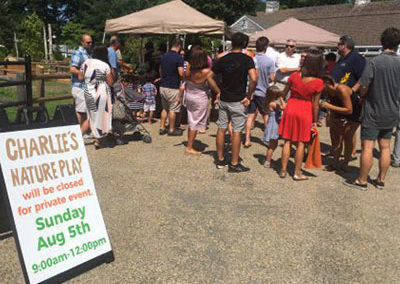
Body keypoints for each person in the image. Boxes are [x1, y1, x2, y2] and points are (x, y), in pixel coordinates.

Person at [344, 27, 400, 190]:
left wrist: (361, 96)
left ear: (382, 42)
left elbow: (364, 86)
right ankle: (381, 179)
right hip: (391, 111)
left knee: (368, 146)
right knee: (385, 147)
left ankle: (362, 180)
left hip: (373, 110)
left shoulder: (374, 62)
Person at [211, 32, 257, 173]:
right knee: (237, 131)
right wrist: (248, 96)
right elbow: (254, 79)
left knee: (221, 128)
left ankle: (220, 159)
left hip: (225, 98)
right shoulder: (247, 59)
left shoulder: (223, 59)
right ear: (244, 44)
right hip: (238, 99)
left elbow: (209, 77)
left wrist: (218, 91)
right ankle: (234, 163)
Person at [279, 51, 324, 180]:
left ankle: (283, 170)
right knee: (301, 143)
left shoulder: (294, 76)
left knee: (287, 140)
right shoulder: (319, 82)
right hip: (305, 109)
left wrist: (283, 103)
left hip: (291, 106)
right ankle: (297, 173)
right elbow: (316, 105)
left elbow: (283, 93)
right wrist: (315, 121)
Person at [331, 35, 366, 158]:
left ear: (344, 45)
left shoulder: (356, 58)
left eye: (338, 44)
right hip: (337, 98)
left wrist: (353, 89)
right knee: (336, 131)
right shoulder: (341, 59)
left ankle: (347, 158)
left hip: (350, 100)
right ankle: (337, 158)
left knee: (348, 132)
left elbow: (364, 76)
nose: (337, 46)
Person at [184, 46, 221, 155]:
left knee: (191, 119)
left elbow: (184, 78)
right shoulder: (206, 71)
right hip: (200, 97)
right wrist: (219, 92)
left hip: (189, 94)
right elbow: (212, 84)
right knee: (195, 122)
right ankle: (189, 147)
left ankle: (190, 143)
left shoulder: (188, 68)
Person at [79, 46, 115, 149]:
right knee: (101, 116)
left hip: (88, 92)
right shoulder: (105, 65)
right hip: (101, 93)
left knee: (91, 116)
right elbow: (111, 82)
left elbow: (80, 78)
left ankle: (79, 136)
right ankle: (97, 139)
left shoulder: (86, 62)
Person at [244, 36, 276, 148]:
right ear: (266, 47)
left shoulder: (251, 59)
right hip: (263, 91)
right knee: (266, 114)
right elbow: (272, 78)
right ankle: (267, 138)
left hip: (251, 91)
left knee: (250, 116)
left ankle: (247, 139)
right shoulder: (269, 61)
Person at [321, 75, 358, 171]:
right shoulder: (327, 92)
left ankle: (345, 163)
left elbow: (349, 110)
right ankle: (335, 162)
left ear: (328, 84)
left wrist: (329, 106)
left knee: (347, 136)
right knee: (335, 136)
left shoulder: (342, 89)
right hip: (339, 112)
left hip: (354, 114)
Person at [159, 37, 184, 136]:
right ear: (179, 46)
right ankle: (171, 129)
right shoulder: (179, 58)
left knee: (164, 108)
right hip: (173, 86)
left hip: (163, 85)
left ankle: (162, 127)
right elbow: (181, 73)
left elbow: (160, 70)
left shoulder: (164, 56)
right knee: (173, 109)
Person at [70, 34, 92, 132]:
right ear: (82, 42)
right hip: (79, 86)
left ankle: (82, 131)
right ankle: (76, 133)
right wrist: (79, 73)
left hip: (85, 86)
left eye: (91, 42)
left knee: (84, 110)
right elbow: (72, 68)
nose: (90, 44)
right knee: (80, 111)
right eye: (88, 42)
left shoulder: (88, 53)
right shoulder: (78, 53)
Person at [263, 86, 286, 168]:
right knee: (272, 146)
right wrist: (281, 99)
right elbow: (284, 108)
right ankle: (267, 161)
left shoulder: (268, 102)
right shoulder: (273, 104)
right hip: (274, 125)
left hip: (272, 124)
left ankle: (267, 160)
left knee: (273, 145)